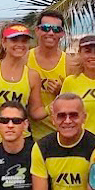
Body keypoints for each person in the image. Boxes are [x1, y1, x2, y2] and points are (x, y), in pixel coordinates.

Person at [29, 9, 71, 138]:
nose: (51, 33)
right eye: (46, 28)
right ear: (37, 31)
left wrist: (61, 92)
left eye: (56, 30)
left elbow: (78, 102)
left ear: (62, 34)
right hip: (29, 134)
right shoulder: (24, 59)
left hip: (61, 134)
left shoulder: (70, 63)